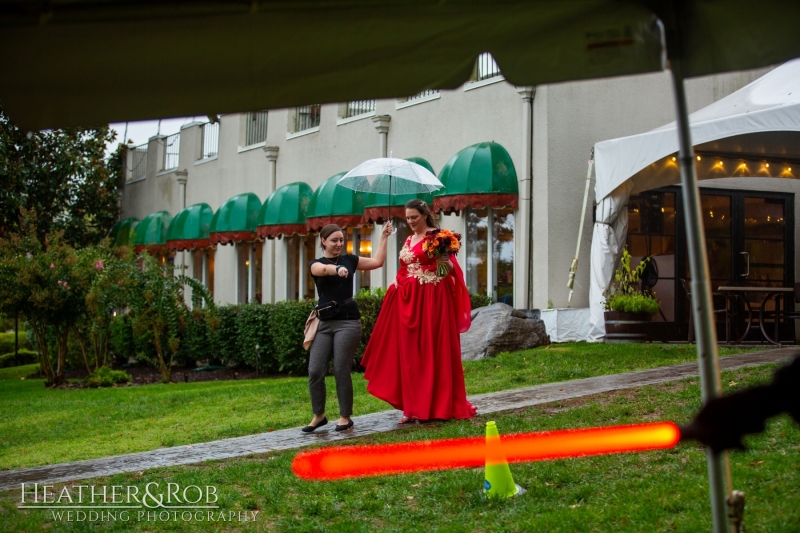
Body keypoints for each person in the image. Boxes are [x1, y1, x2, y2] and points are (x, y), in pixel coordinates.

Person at [360, 199, 477, 423]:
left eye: (414, 217)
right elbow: (405, 267)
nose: (411, 221)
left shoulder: (440, 236)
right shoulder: (408, 238)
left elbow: (448, 271)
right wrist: (397, 280)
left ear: (424, 214)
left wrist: (445, 261)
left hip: (432, 300)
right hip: (408, 301)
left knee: (431, 350)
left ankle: (436, 406)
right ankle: (411, 408)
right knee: (410, 354)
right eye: (407, 218)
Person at [303, 222, 393, 433]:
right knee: (315, 370)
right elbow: (323, 269)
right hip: (324, 324)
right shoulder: (315, 264)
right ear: (323, 241)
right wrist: (337, 269)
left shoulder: (350, 260)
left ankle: (345, 417)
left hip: (348, 323)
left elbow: (378, 261)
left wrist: (383, 236)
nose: (339, 244)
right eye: (334, 240)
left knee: (341, 368)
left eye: (341, 240)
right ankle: (319, 415)